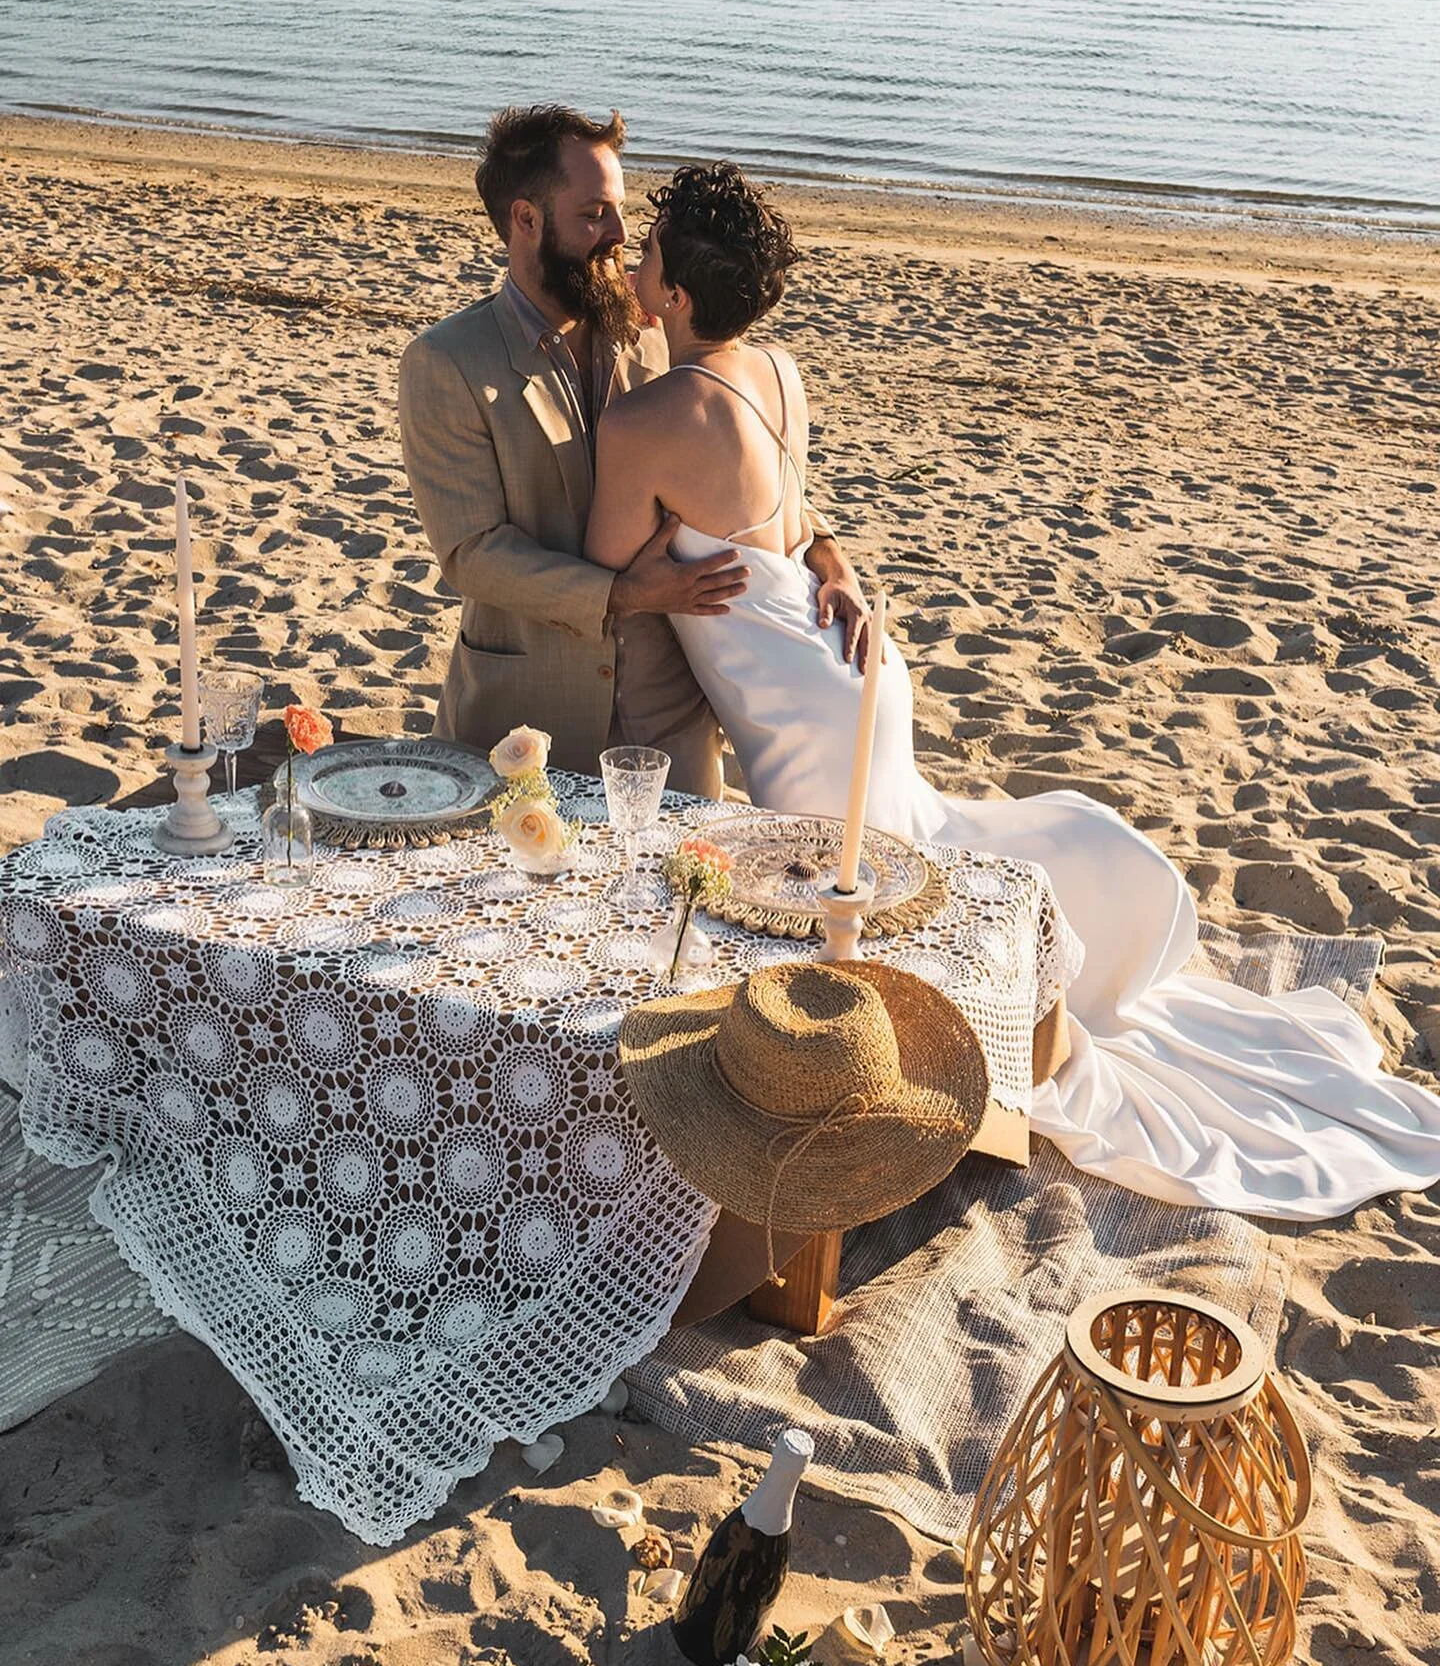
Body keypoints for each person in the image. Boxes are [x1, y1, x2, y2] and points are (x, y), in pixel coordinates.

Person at [585, 161, 1440, 1221]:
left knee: (868, 900)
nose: (631, 261)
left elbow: (610, 574)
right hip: (846, 663)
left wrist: (656, 526)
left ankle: (953, 1055)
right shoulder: (777, 373)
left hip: (802, 704)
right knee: (894, 861)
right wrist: (840, 574)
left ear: (673, 298)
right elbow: (800, 529)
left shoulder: (646, 420)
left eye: (648, 253)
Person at [399, 105, 869, 798]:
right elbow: (472, 552)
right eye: (594, 214)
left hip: (669, 725)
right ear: (525, 219)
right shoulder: (445, 363)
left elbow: (743, 463)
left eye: (618, 212)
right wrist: (620, 595)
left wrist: (832, 559)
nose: (619, 235)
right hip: (527, 719)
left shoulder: (660, 331)